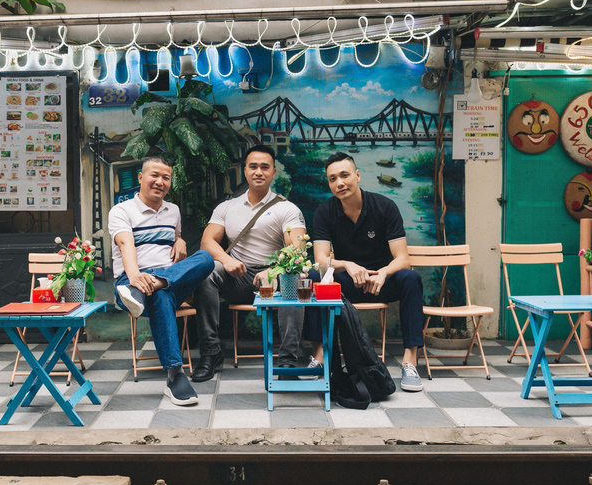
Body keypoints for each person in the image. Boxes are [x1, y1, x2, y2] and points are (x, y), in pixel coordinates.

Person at [306, 152, 426, 392]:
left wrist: (383, 273)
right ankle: (319, 356)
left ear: (357, 175)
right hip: (347, 284)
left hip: (382, 282)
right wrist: (346, 265)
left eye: (344, 175)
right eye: (332, 179)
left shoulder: (384, 206)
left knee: (411, 278)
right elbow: (320, 260)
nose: (339, 183)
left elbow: (403, 258)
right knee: (313, 277)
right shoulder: (324, 212)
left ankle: (410, 361)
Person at [191, 145, 308, 382]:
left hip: (272, 278)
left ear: (274, 172)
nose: (258, 172)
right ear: (245, 171)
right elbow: (207, 241)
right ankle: (211, 352)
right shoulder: (227, 207)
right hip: (238, 275)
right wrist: (226, 260)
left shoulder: (287, 208)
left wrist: (274, 270)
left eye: (265, 167)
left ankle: (287, 360)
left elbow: (298, 249)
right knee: (206, 271)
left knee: (293, 278)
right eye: (253, 166)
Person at [109, 156, 214, 406]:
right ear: (141, 178)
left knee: (207, 258)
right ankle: (175, 375)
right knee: (161, 295)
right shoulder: (122, 211)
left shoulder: (173, 210)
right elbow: (126, 243)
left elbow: (175, 236)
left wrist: (180, 240)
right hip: (131, 281)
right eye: (154, 175)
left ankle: (157, 283)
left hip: (168, 279)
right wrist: (135, 277)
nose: (160, 182)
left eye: (166, 178)